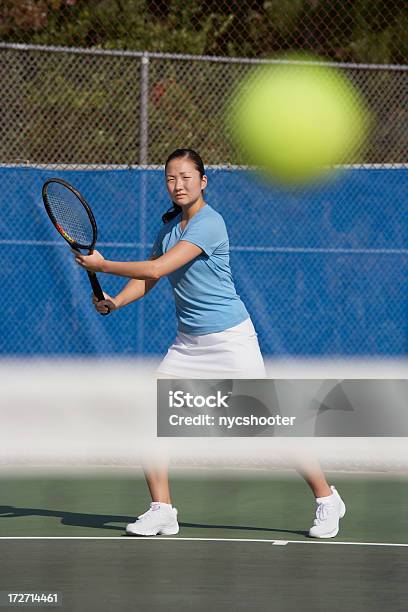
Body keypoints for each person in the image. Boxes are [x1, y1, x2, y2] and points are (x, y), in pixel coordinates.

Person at [73, 147, 346, 539]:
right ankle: (162, 509)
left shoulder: (210, 223)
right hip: (189, 344)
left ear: (202, 181)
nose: (178, 184)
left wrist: (103, 266)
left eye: (186, 177)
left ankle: (326, 499)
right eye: (171, 178)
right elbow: (149, 280)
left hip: (230, 341)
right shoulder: (168, 228)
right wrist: (115, 300)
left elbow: (157, 268)